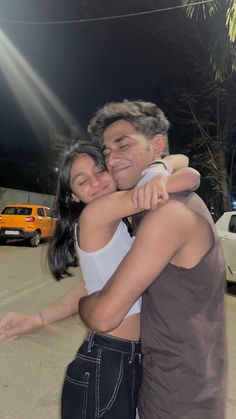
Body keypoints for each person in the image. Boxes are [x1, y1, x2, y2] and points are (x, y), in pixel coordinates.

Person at [0, 140, 199, 419]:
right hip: (107, 363)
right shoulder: (96, 215)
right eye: (83, 181)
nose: (96, 182)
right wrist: (159, 171)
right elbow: (190, 176)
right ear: (74, 197)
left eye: (100, 170)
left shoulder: (118, 223)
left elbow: (89, 288)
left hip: (127, 359)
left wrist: (39, 319)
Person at [78, 100, 227, 419]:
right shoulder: (166, 202)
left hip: (176, 402)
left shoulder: (167, 216)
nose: (111, 158)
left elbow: (104, 317)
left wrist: (84, 303)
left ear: (157, 144)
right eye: (106, 151)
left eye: (122, 144)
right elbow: (188, 170)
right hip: (193, 390)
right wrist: (163, 167)